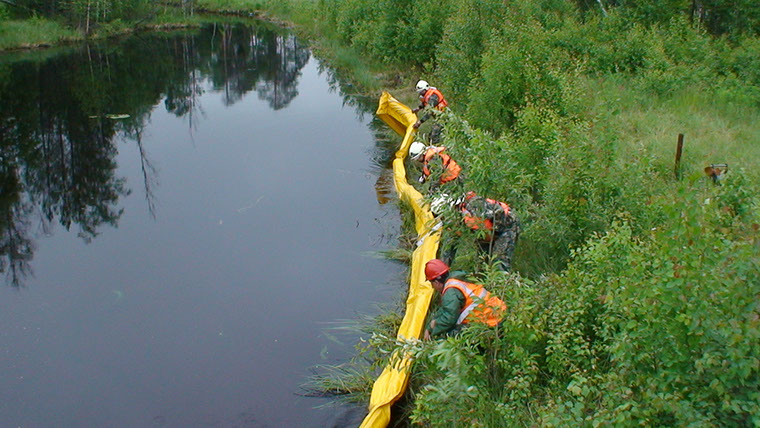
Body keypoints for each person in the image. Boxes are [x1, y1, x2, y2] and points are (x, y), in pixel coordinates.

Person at [423, 259, 506, 339]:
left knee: (450, 334)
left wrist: (434, 329)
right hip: (499, 312)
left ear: (436, 283)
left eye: (432, 284)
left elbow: (449, 318)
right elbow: (446, 308)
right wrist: (430, 325)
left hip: (492, 321)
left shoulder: (451, 291)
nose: (433, 287)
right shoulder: (457, 279)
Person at [443, 191, 520, 272]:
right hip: (483, 232)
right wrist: (443, 270)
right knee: (481, 261)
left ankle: (501, 278)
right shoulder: (454, 220)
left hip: (506, 227)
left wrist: (494, 233)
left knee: (498, 261)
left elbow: (499, 212)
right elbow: (449, 246)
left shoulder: (474, 205)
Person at [412, 80, 448, 144]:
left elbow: (429, 112)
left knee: (434, 136)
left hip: (444, 117)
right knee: (430, 136)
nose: (420, 94)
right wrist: (418, 108)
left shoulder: (433, 96)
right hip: (439, 118)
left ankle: (437, 148)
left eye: (421, 92)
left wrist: (419, 122)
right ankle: (433, 146)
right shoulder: (428, 95)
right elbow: (425, 103)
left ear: (425, 89)